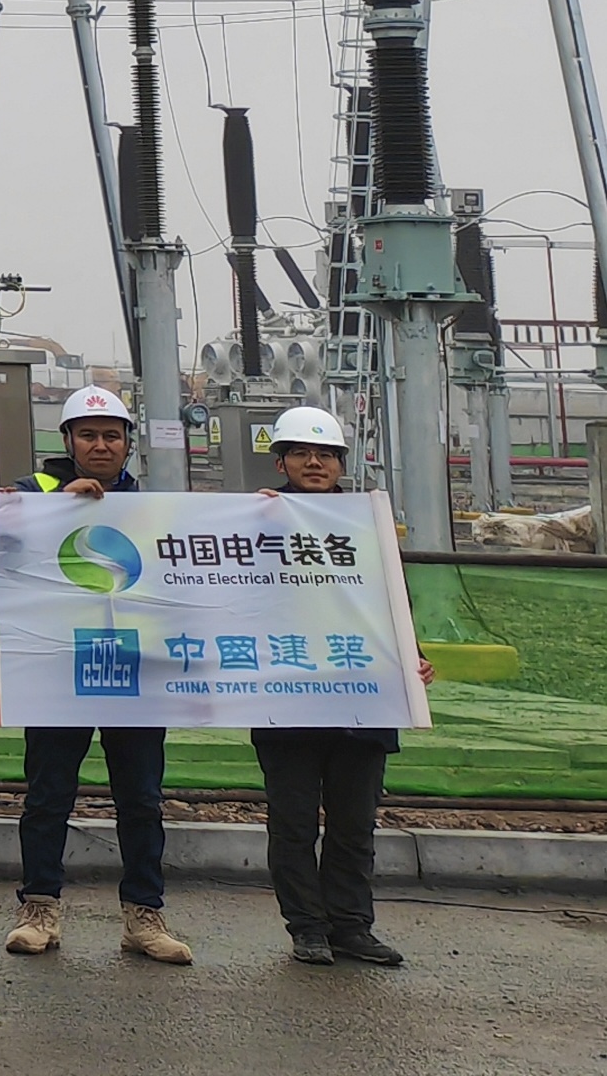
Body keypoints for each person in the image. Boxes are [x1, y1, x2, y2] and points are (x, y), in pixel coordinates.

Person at [10, 385, 189, 965]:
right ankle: (38, 908)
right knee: (48, 795)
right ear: (67, 441)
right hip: (57, 666)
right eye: (88, 435)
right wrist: (58, 507)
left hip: (134, 668)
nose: (101, 445)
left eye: (112, 435)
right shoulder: (33, 493)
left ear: (128, 444)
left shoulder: (153, 508)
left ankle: (144, 914)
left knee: (141, 798)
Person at [253, 404, 412, 968]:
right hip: (288, 698)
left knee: (353, 825)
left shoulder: (367, 524)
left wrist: (411, 656)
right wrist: (252, 521)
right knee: (293, 824)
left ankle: (351, 926)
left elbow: (393, 602)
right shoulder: (255, 521)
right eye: (300, 453)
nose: (314, 463)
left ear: (342, 464)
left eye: (325, 454)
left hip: (359, 697)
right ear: (280, 462)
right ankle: (307, 928)